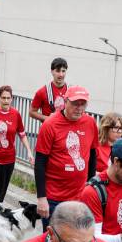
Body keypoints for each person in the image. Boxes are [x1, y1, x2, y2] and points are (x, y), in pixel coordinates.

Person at [33, 86, 97, 223]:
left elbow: (92, 156)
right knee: (53, 241)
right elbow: (40, 163)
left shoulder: (90, 123)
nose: (79, 108)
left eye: (83, 104)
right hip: (54, 198)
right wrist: (41, 197)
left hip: (80, 197)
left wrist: (92, 188)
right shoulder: (50, 124)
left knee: (77, 240)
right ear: (65, 102)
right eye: (75, 104)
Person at [29, 57, 68, 124]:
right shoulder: (42, 91)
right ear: (52, 71)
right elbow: (31, 112)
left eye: (63, 71)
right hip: (49, 130)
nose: (61, 74)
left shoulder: (71, 90)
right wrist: (48, 118)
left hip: (65, 130)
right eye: (58, 71)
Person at [95, 112, 122, 176]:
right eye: (116, 128)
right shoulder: (96, 146)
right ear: (105, 128)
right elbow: (88, 171)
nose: (120, 132)